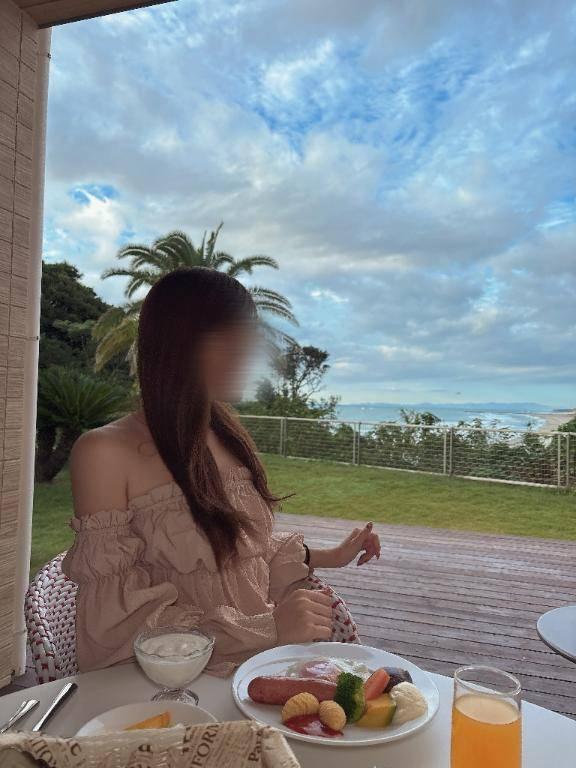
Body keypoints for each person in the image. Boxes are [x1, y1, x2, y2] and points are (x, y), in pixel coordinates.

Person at [63, 267, 380, 675]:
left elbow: (242, 553)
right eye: (232, 339)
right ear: (180, 343)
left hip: (256, 672)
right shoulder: (104, 452)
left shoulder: (223, 435)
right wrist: (269, 629)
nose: (248, 354)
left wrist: (332, 556)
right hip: (174, 687)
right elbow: (114, 627)